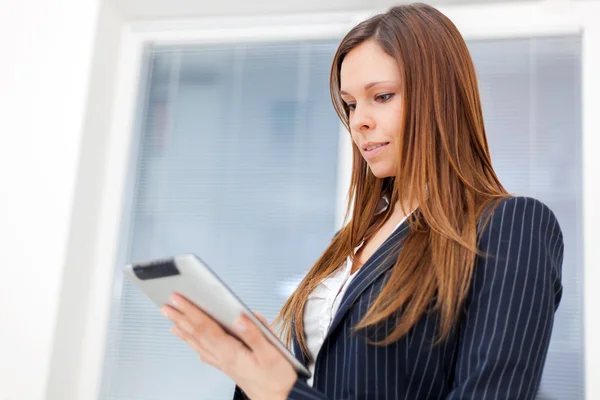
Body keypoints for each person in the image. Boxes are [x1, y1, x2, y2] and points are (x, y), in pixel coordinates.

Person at [160, 3, 564, 399]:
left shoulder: (512, 225)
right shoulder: (352, 241)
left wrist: (281, 391)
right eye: (351, 104)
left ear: (441, 97)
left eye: (382, 96)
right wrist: (253, 371)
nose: (358, 121)